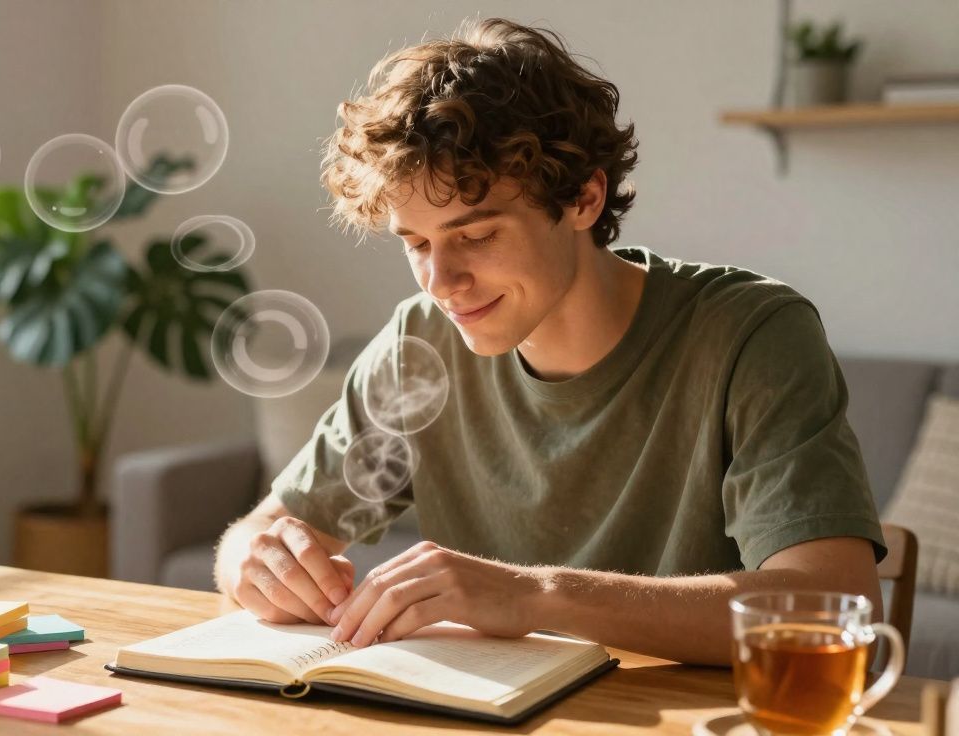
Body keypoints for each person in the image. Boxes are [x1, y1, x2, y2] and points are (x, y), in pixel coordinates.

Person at [212, 18, 885, 667]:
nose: (441, 282)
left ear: (585, 199)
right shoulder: (419, 348)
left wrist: (533, 594)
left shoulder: (750, 335)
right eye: (416, 243)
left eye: (475, 235)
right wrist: (254, 560)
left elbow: (831, 604)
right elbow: (258, 534)